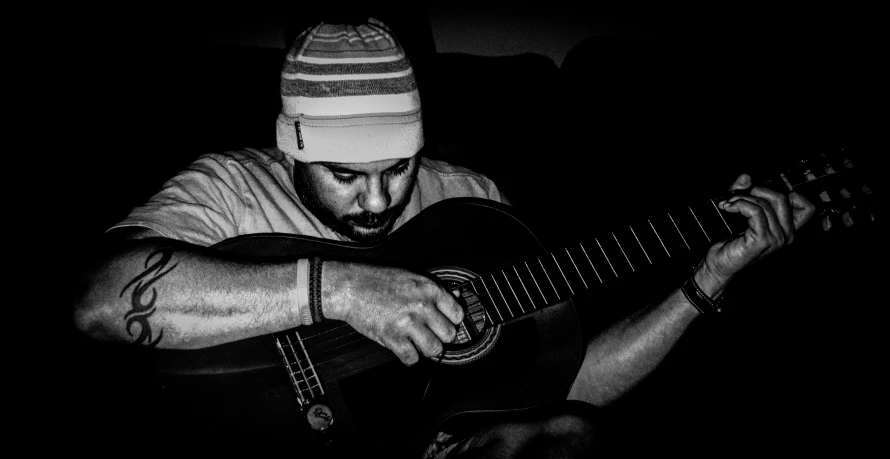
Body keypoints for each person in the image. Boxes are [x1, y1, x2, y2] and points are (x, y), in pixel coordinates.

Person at [73, 18, 815, 458]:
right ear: (291, 148)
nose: (377, 199)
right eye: (343, 174)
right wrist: (339, 288)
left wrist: (707, 280)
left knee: (572, 435)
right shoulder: (230, 185)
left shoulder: (472, 205)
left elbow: (576, 380)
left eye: (399, 168)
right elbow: (102, 303)